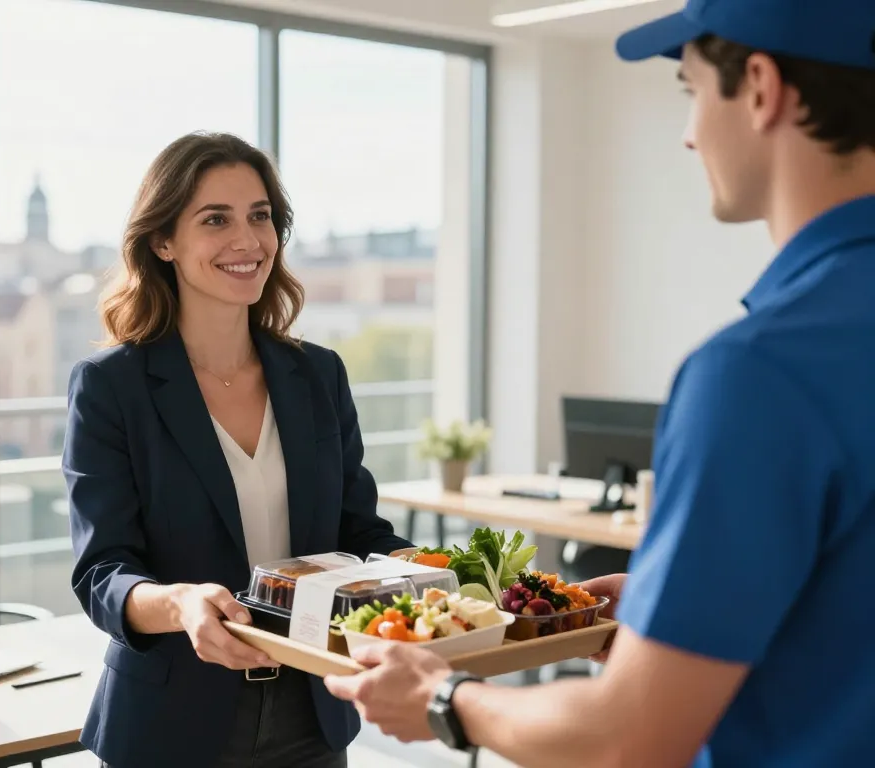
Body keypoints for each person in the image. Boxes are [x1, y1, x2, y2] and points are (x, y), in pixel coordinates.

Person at [324, 1, 875, 766]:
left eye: (691, 92)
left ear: (760, 87)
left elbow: (628, 740)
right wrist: (675, 611)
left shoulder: (762, 371)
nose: (689, 134)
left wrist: (445, 698)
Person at [63, 131, 412, 768]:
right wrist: (181, 604)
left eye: (260, 216)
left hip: (312, 711)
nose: (248, 240)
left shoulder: (318, 375)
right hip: (171, 723)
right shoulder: (112, 386)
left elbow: (359, 532)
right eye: (215, 219)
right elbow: (102, 573)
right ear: (163, 241)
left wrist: (440, 576)